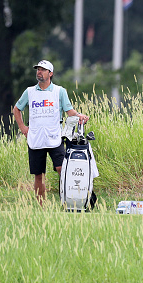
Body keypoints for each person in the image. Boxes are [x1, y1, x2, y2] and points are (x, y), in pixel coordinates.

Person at [13, 60, 89, 205]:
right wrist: (23, 128)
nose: (39, 72)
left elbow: (69, 111)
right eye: (38, 69)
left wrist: (80, 116)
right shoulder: (29, 92)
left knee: (62, 169)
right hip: (36, 139)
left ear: (50, 73)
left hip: (54, 137)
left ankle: (66, 201)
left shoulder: (59, 91)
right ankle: (41, 207)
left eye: (43, 70)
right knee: (38, 175)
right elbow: (17, 109)